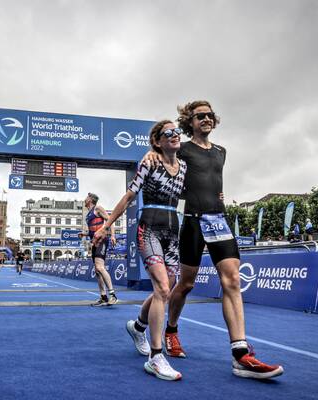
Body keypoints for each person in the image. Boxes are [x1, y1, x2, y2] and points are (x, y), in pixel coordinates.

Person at [143, 100, 283, 379]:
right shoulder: (181, 148)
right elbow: (162, 161)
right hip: (193, 221)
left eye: (209, 115)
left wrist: (216, 197)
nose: (206, 119)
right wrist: (150, 156)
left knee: (232, 280)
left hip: (219, 219)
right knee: (185, 284)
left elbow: (212, 181)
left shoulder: (221, 151)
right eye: (199, 116)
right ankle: (171, 329)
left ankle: (241, 354)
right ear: (189, 122)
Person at [94, 119, 185, 380]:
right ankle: (156, 357)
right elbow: (129, 196)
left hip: (172, 232)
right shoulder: (149, 162)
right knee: (162, 288)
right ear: (157, 141)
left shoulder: (184, 166)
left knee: (168, 285)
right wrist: (106, 226)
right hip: (149, 230)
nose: (175, 135)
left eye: (177, 132)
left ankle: (138, 326)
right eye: (169, 133)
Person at [81, 193, 118, 307]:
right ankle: (103, 297)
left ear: (91, 200)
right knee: (97, 271)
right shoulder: (88, 214)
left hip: (102, 240)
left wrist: (112, 236)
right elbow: (93, 230)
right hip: (94, 242)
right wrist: (85, 233)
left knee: (100, 267)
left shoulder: (98, 208)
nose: (85, 198)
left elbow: (110, 220)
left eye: (87, 197)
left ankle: (113, 295)